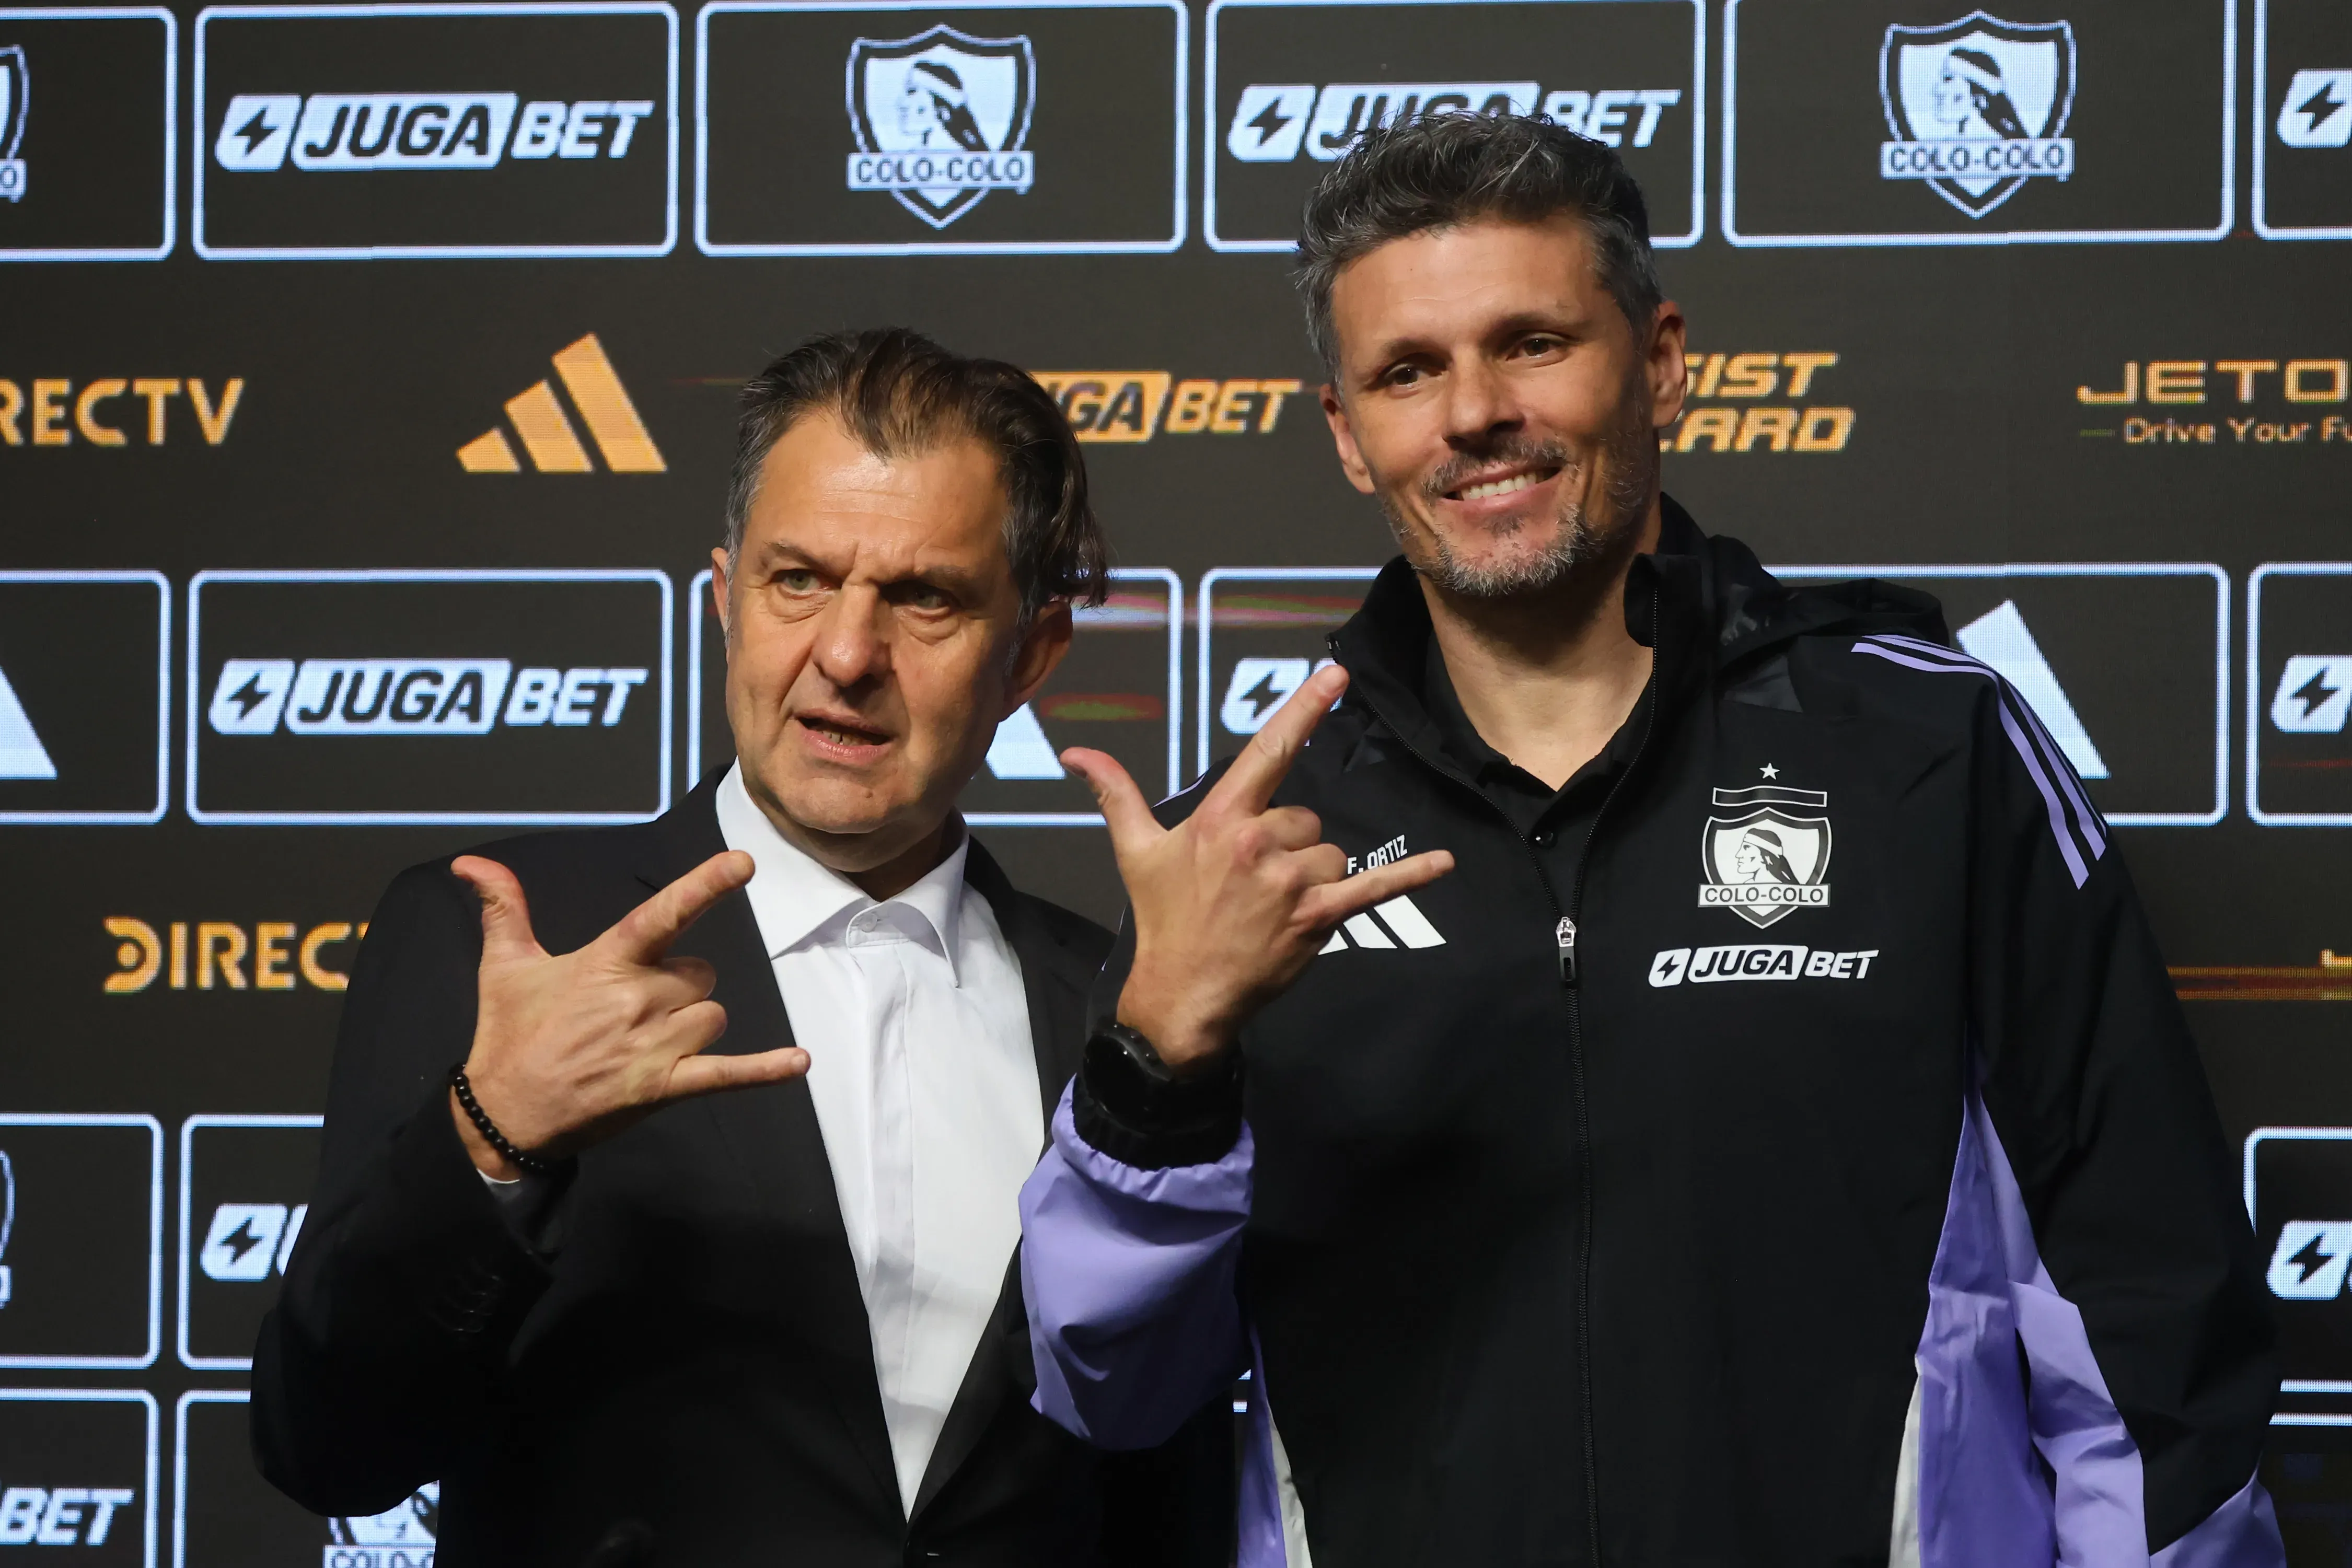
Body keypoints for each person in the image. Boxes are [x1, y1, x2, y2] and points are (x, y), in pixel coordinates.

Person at [1018, 113, 2282, 1566]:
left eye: (1531, 343)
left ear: (1662, 361)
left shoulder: (1931, 758)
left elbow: (2149, 1344)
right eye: (1406, 372)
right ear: (1347, 438)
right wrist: (1153, 1073)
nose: (1472, 413)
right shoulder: (1240, 849)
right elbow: (1107, 1393)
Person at [253, 328, 1229, 1566]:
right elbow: (324, 1446)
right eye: (800, 580)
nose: (847, 655)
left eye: (925, 597)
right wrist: (492, 1139)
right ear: (725, 599)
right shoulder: (509, 936)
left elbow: (1163, 1494)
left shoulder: (1112, 1013)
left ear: (1029, 656)